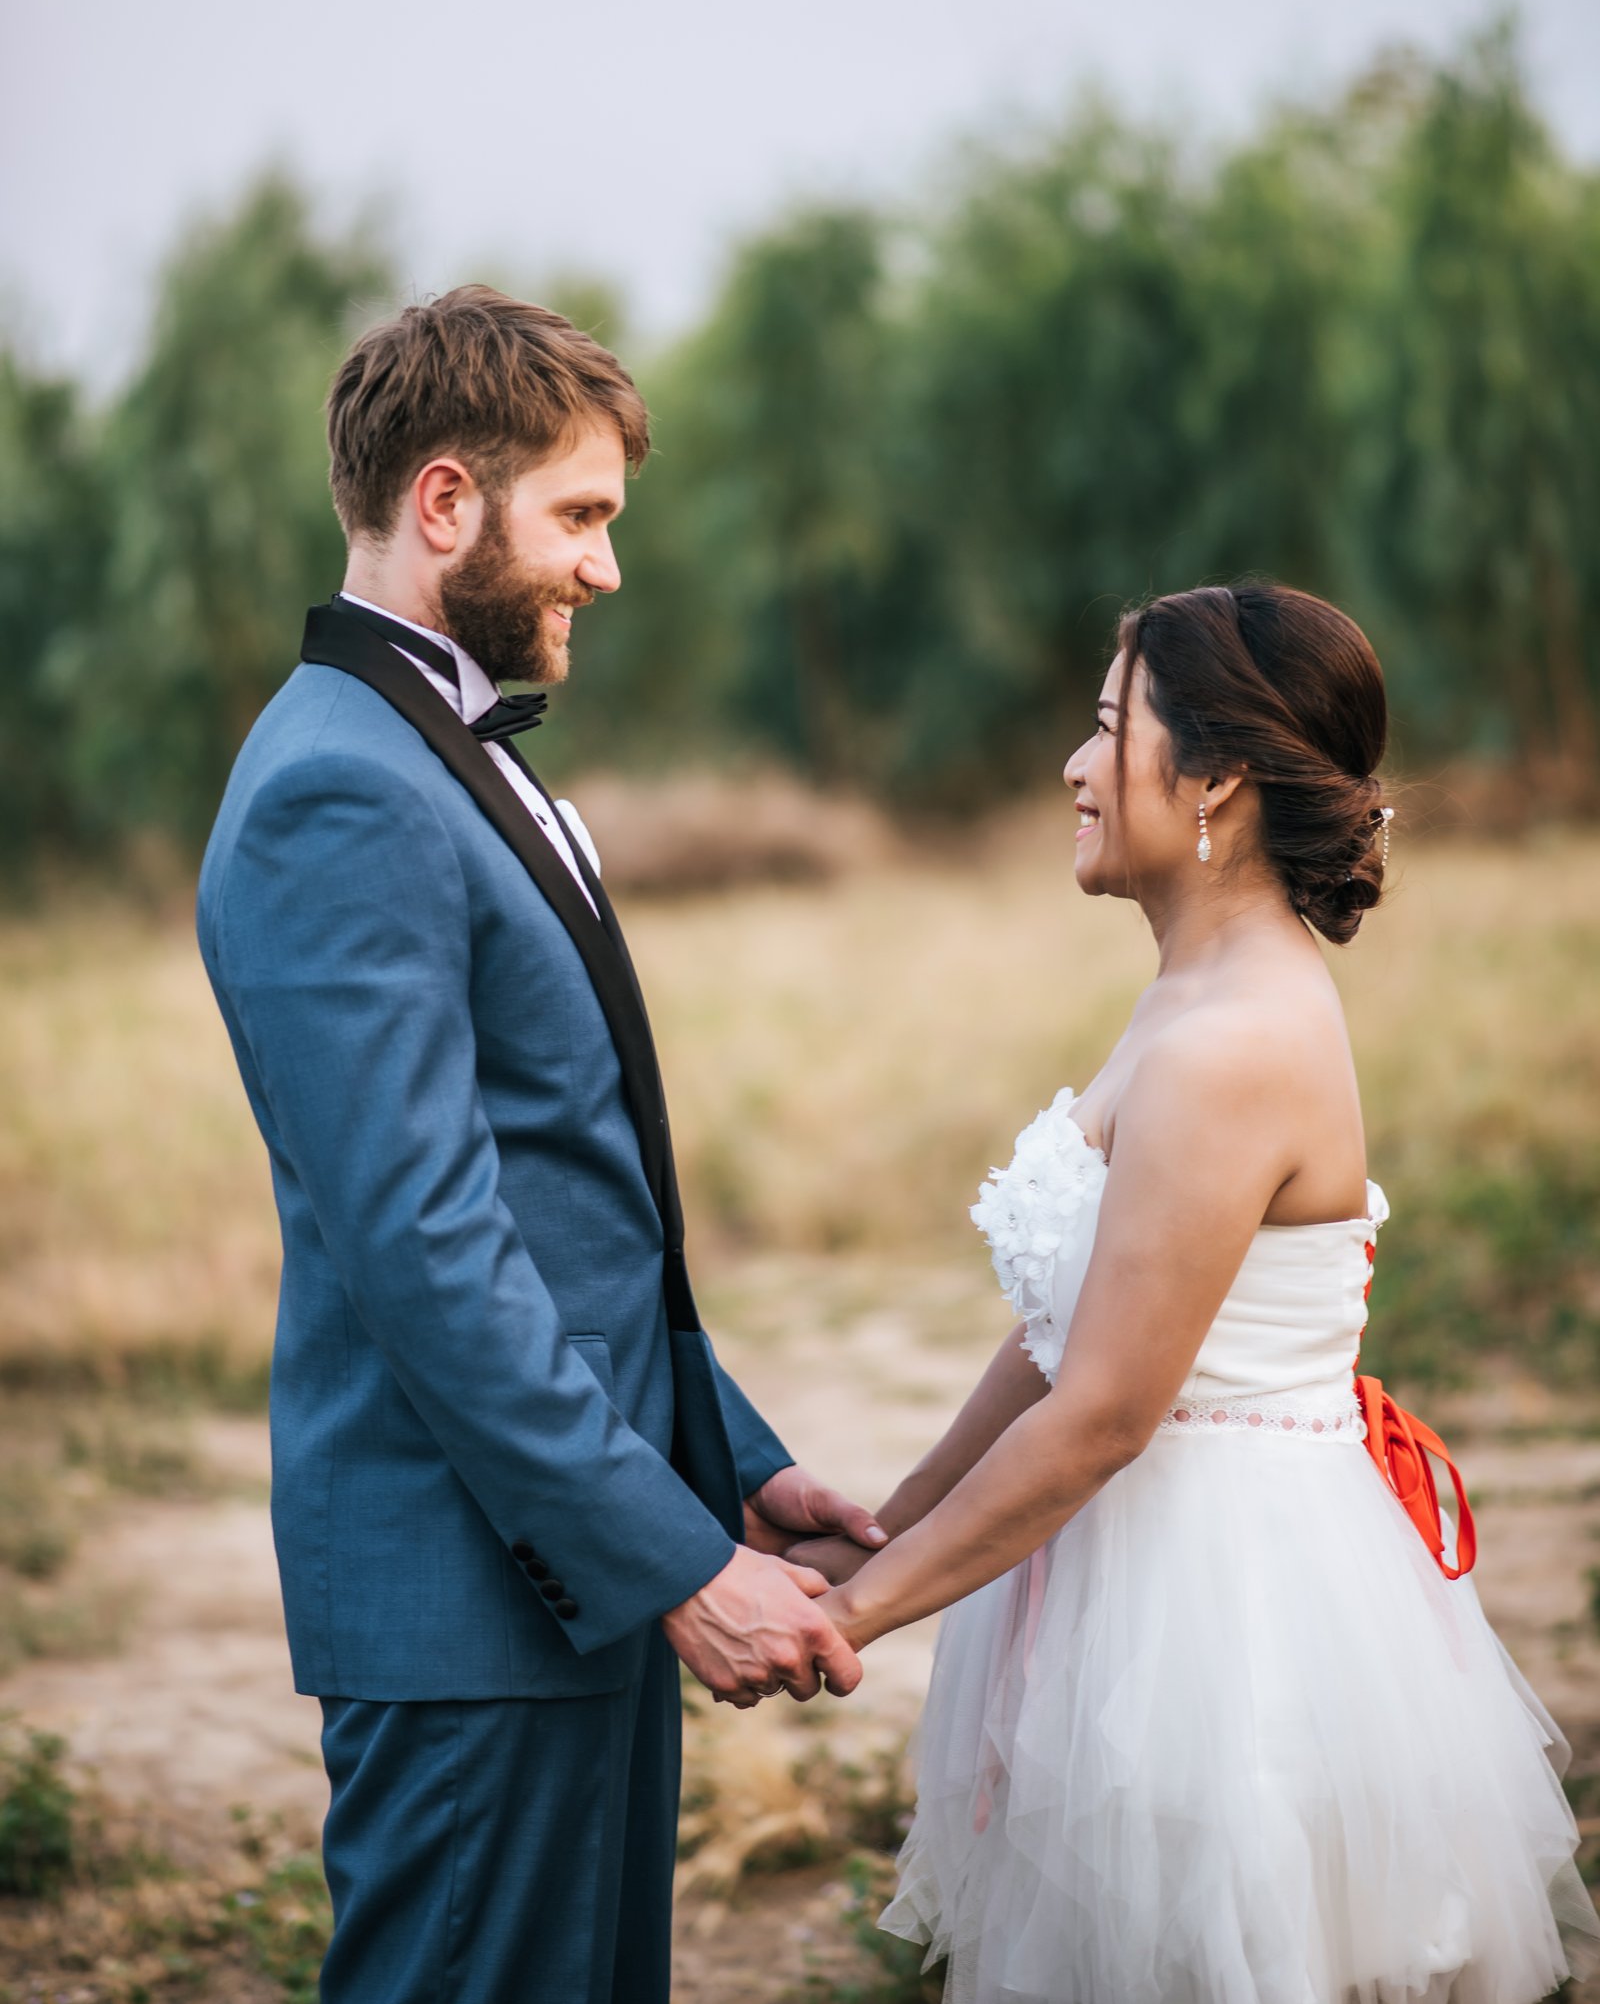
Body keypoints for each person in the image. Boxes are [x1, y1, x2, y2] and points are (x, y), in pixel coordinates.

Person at [196, 286, 882, 2004]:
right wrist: (668, 1561)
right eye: (578, 515)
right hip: (478, 1596)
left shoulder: (431, 750)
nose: (606, 567)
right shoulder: (338, 787)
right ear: (445, 502)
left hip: (566, 1561)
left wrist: (720, 1460)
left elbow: (563, 1192)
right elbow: (429, 1250)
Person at [790, 584, 1599, 2004]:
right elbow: (1066, 1334)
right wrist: (885, 1527)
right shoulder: (1191, 989)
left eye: (1109, 729)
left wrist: (842, 1626)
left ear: (1215, 776)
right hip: (1123, 1576)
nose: (1074, 767)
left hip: (1220, 1620)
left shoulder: (1235, 1038)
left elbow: (1105, 1409)